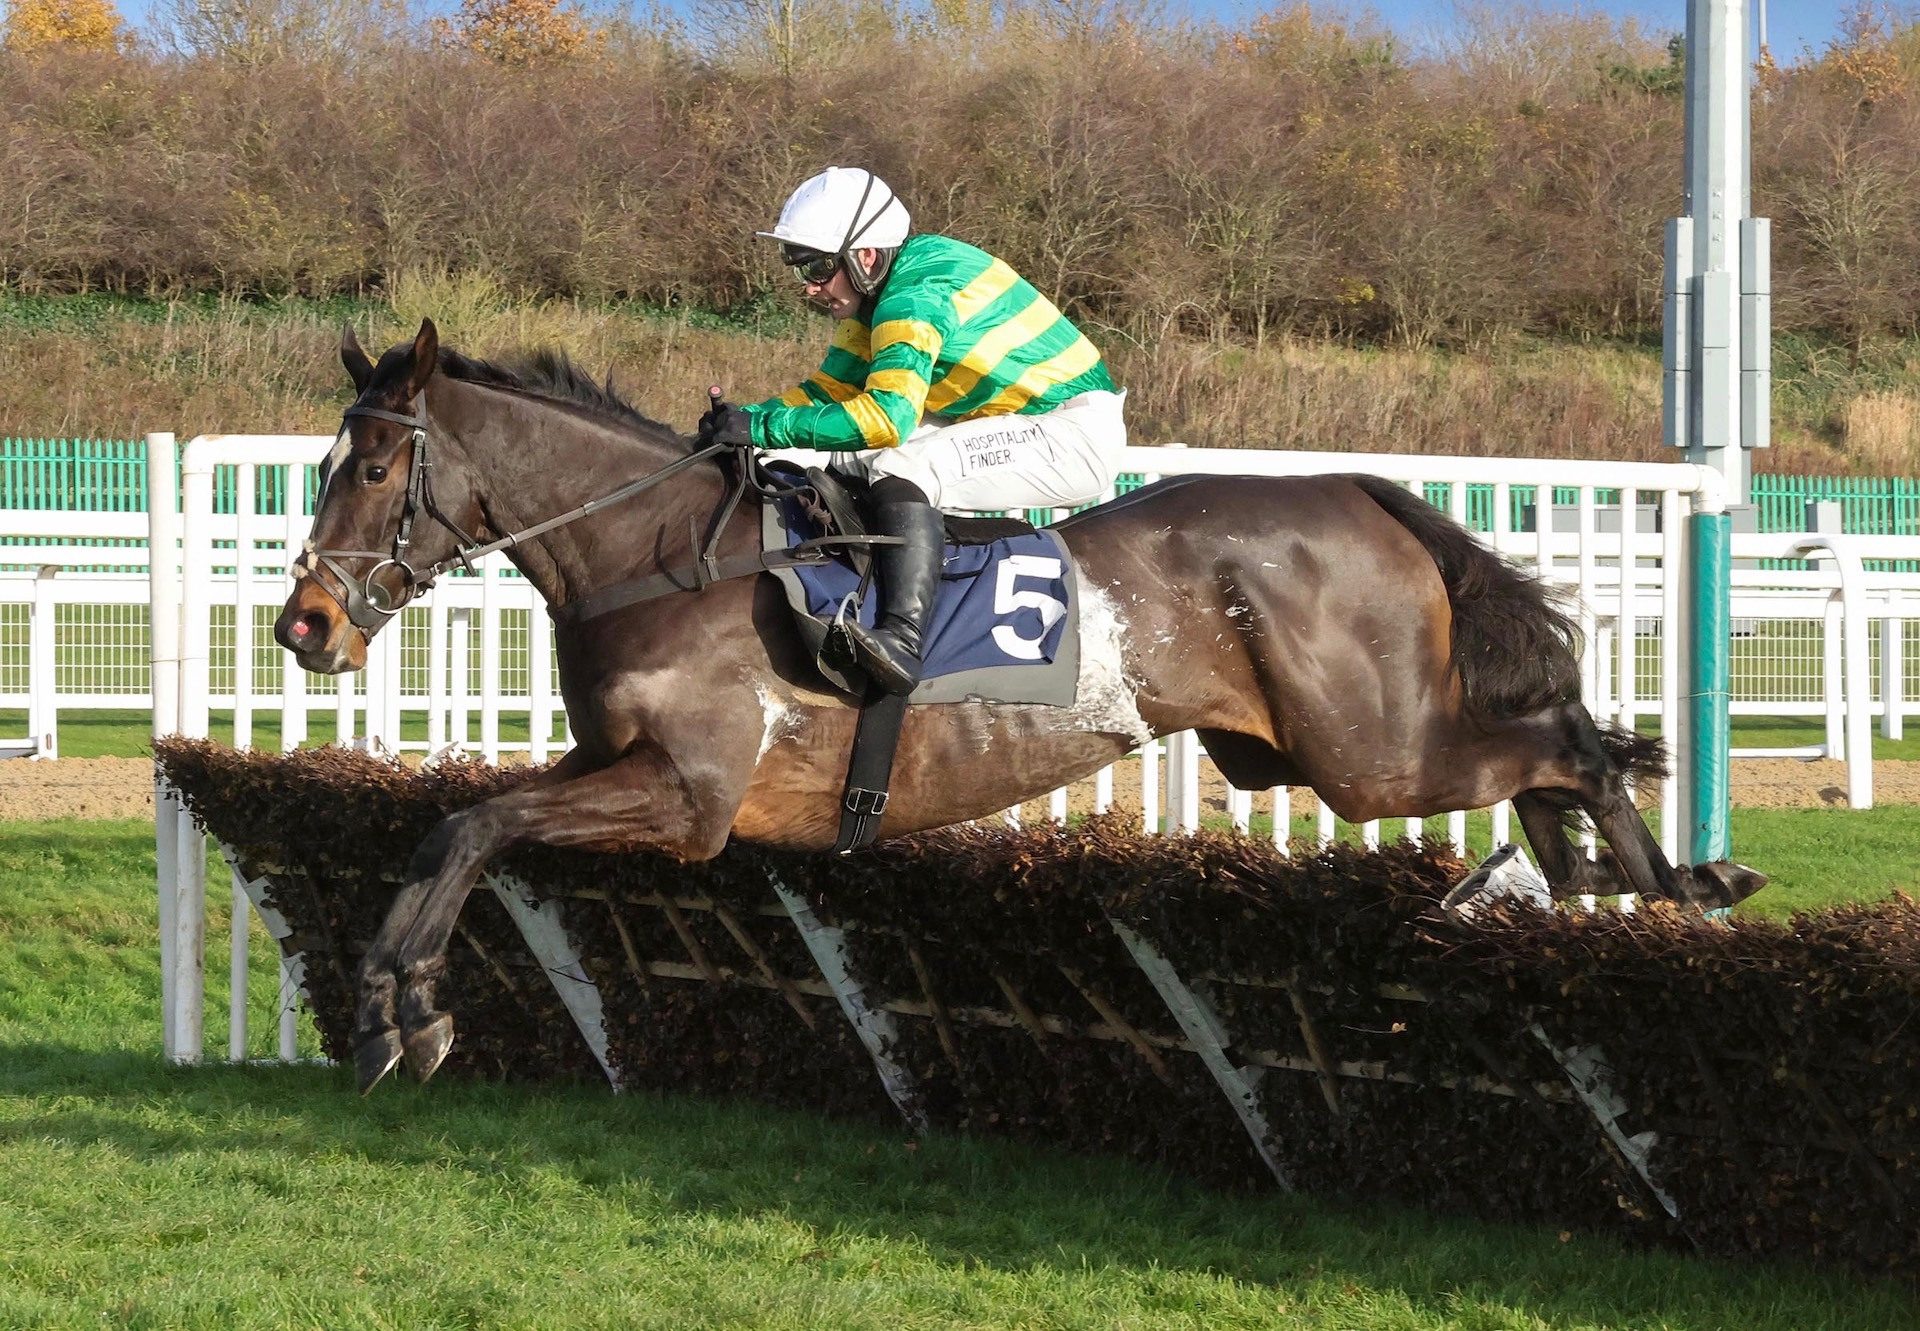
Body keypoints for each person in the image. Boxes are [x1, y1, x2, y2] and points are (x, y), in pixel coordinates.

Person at [700, 166, 1128, 696]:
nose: (808, 287)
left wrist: (763, 425)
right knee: (839, 461)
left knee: (901, 462)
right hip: (1012, 420)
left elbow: (886, 420)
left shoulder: (914, 294)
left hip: (1072, 432)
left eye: (815, 267)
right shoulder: (879, 296)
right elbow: (829, 395)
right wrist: (741, 424)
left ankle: (902, 640)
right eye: (797, 268)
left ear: (866, 257)